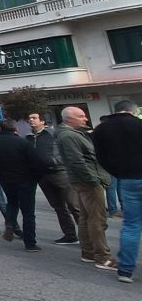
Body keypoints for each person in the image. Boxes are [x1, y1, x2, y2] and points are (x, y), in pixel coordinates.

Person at [55, 106, 115, 271]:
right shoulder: (68, 136)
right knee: (97, 219)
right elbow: (77, 161)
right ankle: (103, 257)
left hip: (82, 181)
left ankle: (88, 252)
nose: (85, 119)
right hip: (87, 182)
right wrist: (94, 180)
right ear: (69, 119)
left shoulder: (72, 134)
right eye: (81, 116)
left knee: (86, 217)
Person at [93, 100, 142, 283]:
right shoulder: (139, 124)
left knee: (131, 225)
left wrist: (118, 172)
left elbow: (101, 158)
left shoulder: (101, 130)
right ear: (133, 111)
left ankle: (125, 270)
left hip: (127, 180)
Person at [0, 119, 44, 251]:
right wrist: (36, 177)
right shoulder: (23, 142)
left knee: (12, 203)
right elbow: (36, 162)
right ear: (15, 129)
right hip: (25, 180)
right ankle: (30, 242)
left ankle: (10, 223)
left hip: (6, 179)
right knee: (28, 212)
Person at [27, 111, 80, 245]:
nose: (31, 120)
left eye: (34, 118)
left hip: (60, 173)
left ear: (43, 121)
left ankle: (88, 236)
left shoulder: (53, 134)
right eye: (30, 118)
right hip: (42, 176)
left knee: (74, 206)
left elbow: (67, 150)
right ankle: (70, 235)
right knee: (58, 207)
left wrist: (56, 161)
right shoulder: (28, 137)